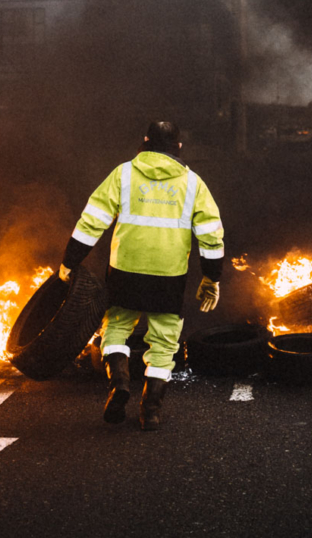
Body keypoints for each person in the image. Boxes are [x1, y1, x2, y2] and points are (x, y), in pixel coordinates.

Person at [58, 121, 224, 431]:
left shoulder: (122, 174)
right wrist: (211, 278)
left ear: (144, 142)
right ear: (179, 147)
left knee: (116, 328)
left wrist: (70, 261)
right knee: (164, 342)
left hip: (125, 270)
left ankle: (120, 381)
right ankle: (151, 410)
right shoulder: (193, 184)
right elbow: (211, 236)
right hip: (169, 275)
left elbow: (91, 222)